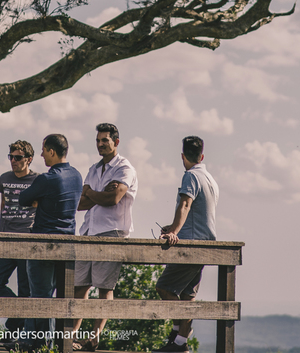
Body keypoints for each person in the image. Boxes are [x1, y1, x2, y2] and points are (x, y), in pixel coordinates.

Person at [70, 123, 138, 351]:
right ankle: (71, 337)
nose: (100, 144)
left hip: (111, 232)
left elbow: (113, 199)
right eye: (98, 140)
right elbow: (82, 203)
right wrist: (94, 193)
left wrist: (91, 193)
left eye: (105, 141)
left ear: (116, 142)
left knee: (104, 288)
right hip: (89, 230)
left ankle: (94, 338)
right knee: (79, 286)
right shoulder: (93, 168)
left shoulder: (124, 168)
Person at [17, 133, 82, 351]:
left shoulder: (47, 178)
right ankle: (59, 344)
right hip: (68, 246)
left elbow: (23, 200)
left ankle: (41, 345)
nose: (42, 155)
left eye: (44, 150)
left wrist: (41, 200)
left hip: (43, 243)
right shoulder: (77, 176)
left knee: (41, 296)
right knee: (62, 298)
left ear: (52, 152)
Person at [154, 135, 219, 353]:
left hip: (190, 247)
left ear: (183, 156)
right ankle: (179, 342)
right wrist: (173, 226)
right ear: (202, 155)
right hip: (206, 245)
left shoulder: (190, 176)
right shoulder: (210, 180)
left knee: (164, 287)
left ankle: (179, 338)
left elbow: (185, 204)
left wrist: (173, 231)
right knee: (187, 296)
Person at [0, 140, 38, 346]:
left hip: (27, 239)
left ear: (29, 159)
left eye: (18, 157)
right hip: (6, 238)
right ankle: (17, 319)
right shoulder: (4, 179)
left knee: (26, 290)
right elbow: (3, 205)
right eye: (11, 157)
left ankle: (15, 330)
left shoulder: (38, 180)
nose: (13, 161)